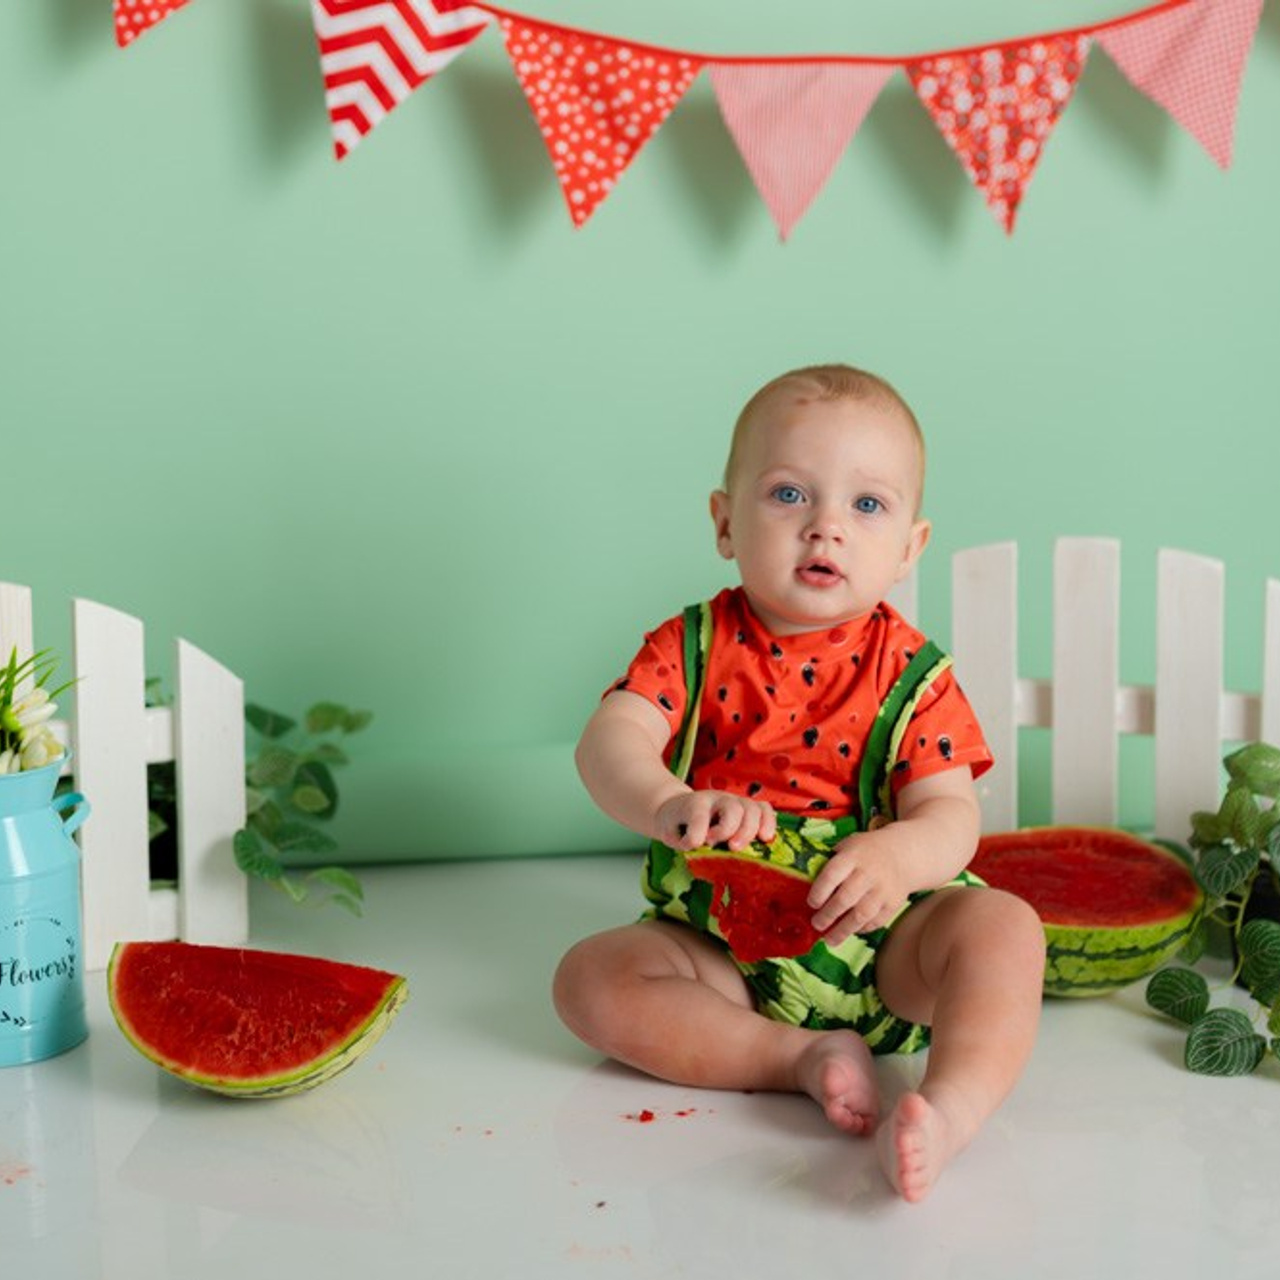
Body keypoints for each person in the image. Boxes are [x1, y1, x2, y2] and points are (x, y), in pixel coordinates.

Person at [553, 363, 1044, 1203]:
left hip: (891, 950)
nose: (826, 528)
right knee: (588, 980)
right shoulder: (692, 646)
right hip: (721, 957)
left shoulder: (915, 676)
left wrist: (897, 857)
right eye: (788, 495)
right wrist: (668, 802)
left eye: (868, 505)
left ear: (909, 548)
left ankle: (952, 1107)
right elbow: (611, 739)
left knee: (1006, 928)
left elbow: (951, 815)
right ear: (725, 522)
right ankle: (794, 1059)